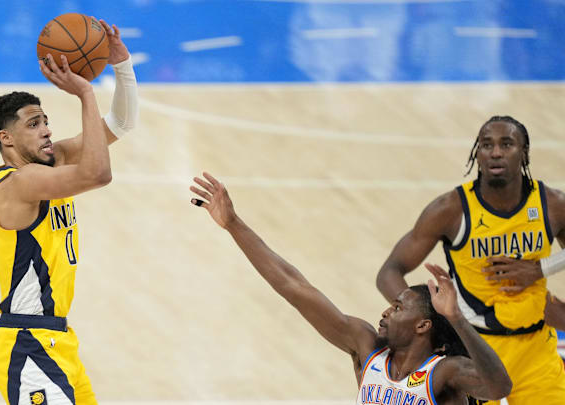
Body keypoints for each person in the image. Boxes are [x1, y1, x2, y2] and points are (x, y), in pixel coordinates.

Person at [189, 172, 512, 404]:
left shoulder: (445, 372)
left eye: (399, 308)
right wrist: (233, 224)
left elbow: (498, 388)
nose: (385, 311)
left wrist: (456, 319)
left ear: (423, 325)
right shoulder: (366, 346)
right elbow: (293, 286)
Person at [0, 20, 137, 405]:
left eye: (46, 121)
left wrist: (121, 65)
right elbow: (99, 173)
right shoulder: (19, 183)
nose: (48, 130)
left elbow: (121, 124)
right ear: (7, 139)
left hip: (58, 342)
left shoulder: (53, 162)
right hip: (27, 346)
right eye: (35, 124)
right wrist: (85, 93)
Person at [376, 116, 565, 404]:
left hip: (536, 349)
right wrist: (436, 322)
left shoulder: (550, 204)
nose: (496, 152)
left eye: (507, 144)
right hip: (478, 351)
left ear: (524, 152)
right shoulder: (450, 210)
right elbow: (389, 271)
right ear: (477, 154)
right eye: (486, 145)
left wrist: (542, 268)